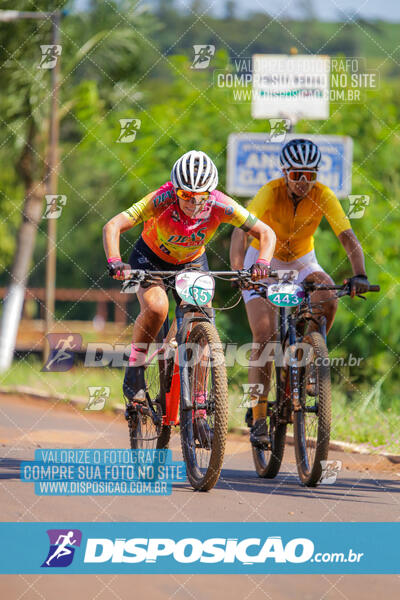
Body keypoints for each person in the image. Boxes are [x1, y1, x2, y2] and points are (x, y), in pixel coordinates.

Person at [103, 150, 276, 439]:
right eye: (185, 194)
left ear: (211, 192)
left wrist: (262, 264)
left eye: (201, 196)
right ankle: (134, 370)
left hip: (192, 261)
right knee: (157, 308)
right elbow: (113, 225)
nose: (193, 202)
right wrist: (114, 261)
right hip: (151, 259)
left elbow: (266, 233)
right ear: (174, 189)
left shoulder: (221, 204)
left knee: (202, 317)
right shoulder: (162, 198)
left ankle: (196, 406)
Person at [230, 138, 371, 448]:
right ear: (285, 172)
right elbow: (240, 232)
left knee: (327, 296)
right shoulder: (270, 190)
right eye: (297, 175)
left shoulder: (324, 195)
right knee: (264, 335)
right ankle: (257, 412)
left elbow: (347, 236)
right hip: (262, 261)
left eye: (310, 175)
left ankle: (308, 356)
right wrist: (240, 270)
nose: (304, 182)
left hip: (302, 261)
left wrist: (359, 273)